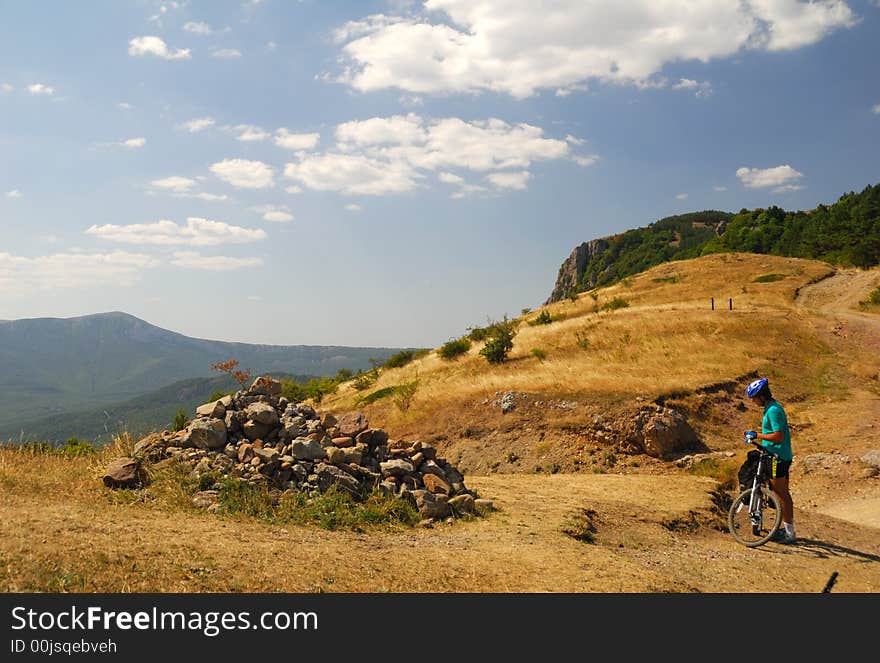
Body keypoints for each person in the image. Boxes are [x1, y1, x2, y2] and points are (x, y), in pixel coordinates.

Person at [745, 377, 796, 544]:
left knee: (782, 494)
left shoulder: (773, 410)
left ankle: (789, 533)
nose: (752, 402)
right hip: (776, 455)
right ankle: (786, 529)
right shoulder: (769, 408)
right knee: (780, 493)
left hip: (778, 457)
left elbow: (778, 436)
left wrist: (757, 435)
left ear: (762, 396)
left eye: (753, 398)